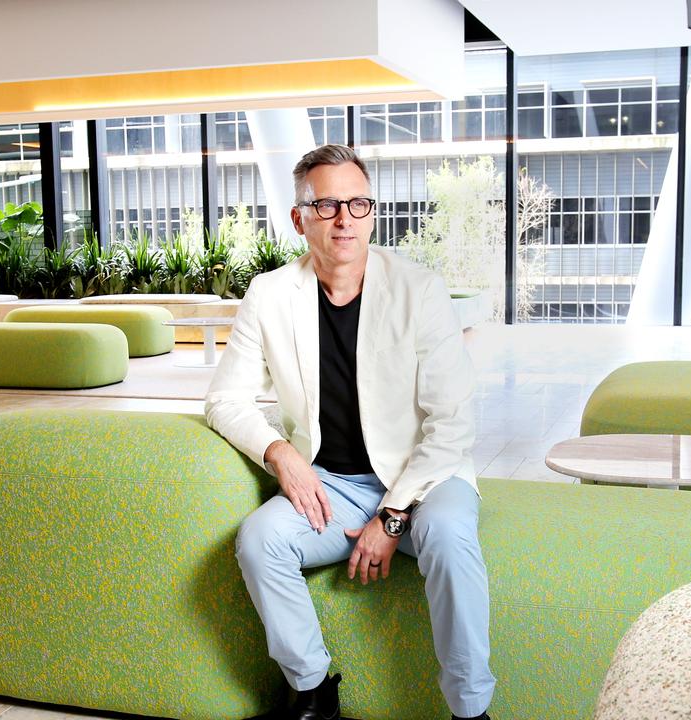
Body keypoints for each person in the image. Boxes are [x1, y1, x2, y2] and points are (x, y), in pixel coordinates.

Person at [204, 144, 494, 720]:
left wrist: (391, 518)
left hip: (425, 481)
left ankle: (471, 710)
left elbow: (451, 424)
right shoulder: (270, 295)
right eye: (328, 204)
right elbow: (224, 400)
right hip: (330, 484)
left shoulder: (420, 289)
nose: (345, 219)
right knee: (260, 541)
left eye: (358, 203)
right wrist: (279, 452)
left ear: (372, 212)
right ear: (299, 218)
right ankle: (313, 692)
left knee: (451, 539)